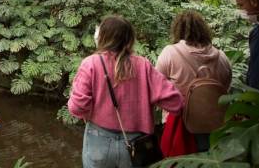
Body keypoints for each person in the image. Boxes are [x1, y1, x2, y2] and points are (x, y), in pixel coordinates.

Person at [68, 15, 183, 168]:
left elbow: (77, 107)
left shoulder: (90, 63)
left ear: (102, 37)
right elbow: (176, 103)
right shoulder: (143, 65)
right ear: (130, 39)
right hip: (136, 146)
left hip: (98, 143)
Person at [156, 10, 232, 153]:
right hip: (216, 125)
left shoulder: (170, 53)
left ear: (178, 29)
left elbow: (157, 86)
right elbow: (226, 88)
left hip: (181, 126)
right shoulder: (222, 57)